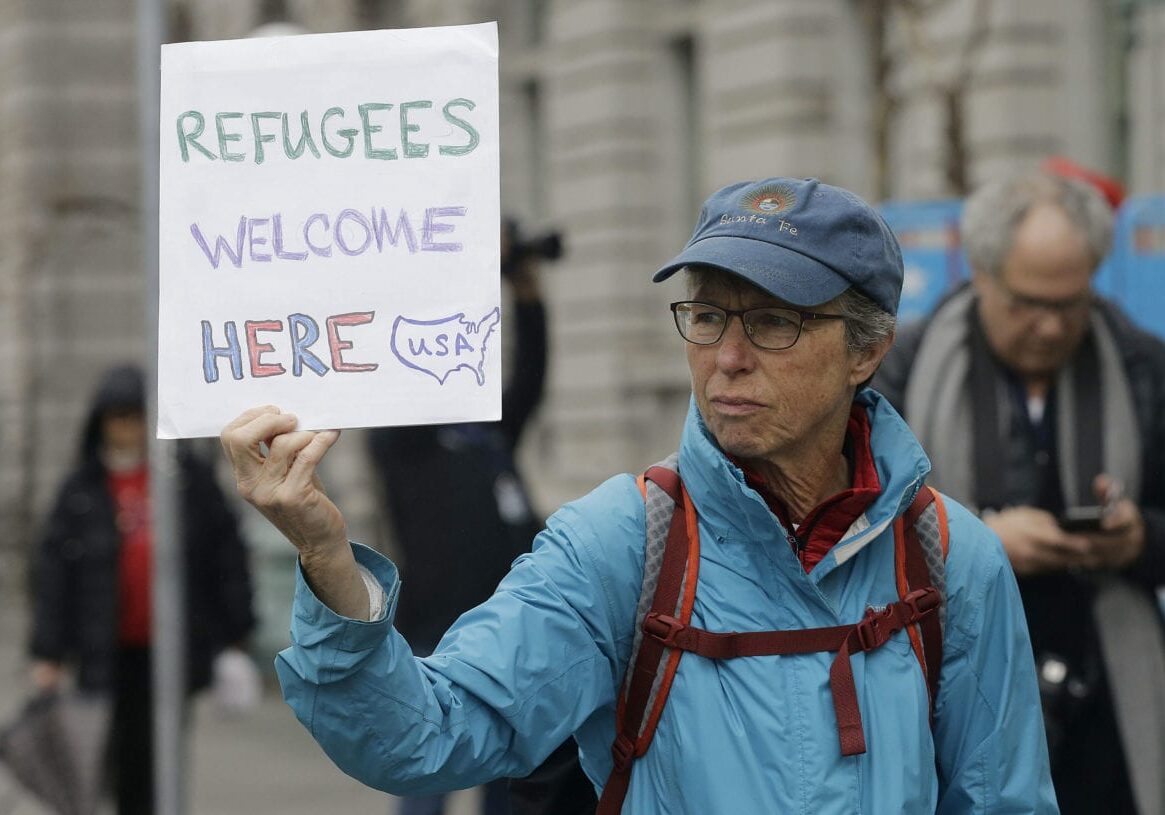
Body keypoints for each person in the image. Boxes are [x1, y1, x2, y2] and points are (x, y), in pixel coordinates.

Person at [221, 177, 1056, 812]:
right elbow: (423, 737)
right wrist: (326, 557)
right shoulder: (620, 542)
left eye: (772, 322)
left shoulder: (951, 559)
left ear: (866, 350)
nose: (726, 357)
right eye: (706, 315)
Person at [874, 169, 1165, 815]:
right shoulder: (904, 369)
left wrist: (1138, 539)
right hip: (954, 697)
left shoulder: (1145, 367)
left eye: (1068, 302)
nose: (1048, 326)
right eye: (1026, 302)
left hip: (1109, 708)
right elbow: (856, 530)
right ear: (979, 272)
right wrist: (976, 541)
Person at [366, 223, 592, 815]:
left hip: (505, 623)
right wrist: (467, 273)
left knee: (510, 776)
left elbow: (531, 379)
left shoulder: (488, 432)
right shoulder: (402, 439)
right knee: (426, 773)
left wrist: (526, 294)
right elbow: (411, 356)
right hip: (433, 629)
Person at [29, 363, 257, 815]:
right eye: (119, 417)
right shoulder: (82, 489)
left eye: (136, 416)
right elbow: (54, 575)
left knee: (165, 754)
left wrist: (235, 638)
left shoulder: (186, 479)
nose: (129, 429)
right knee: (119, 760)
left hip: (173, 646)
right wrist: (48, 653)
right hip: (108, 649)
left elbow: (224, 557)